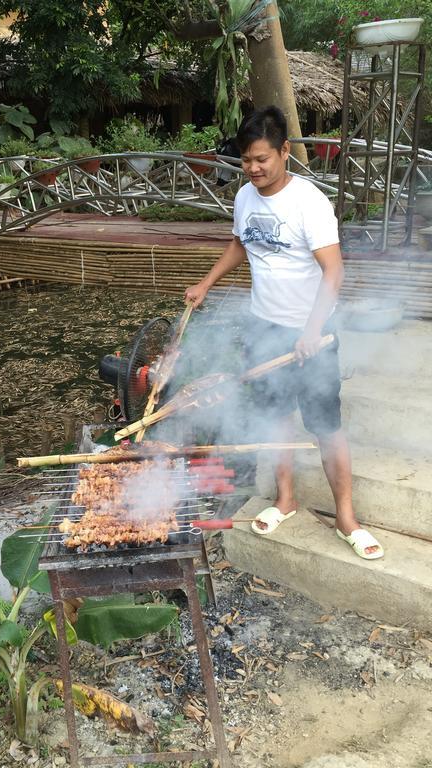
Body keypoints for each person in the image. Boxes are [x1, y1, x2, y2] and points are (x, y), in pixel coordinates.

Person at [185, 106, 383, 560]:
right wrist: (206, 283)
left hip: (311, 333)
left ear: (284, 152)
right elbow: (240, 242)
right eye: (246, 160)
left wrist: (312, 330)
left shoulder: (308, 202)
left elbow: (333, 272)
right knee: (275, 418)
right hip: (264, 326)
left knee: (326, 427)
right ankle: (285, 499)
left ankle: (346, 516)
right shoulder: (245, 197)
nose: (253, 168)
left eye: (261, 159)